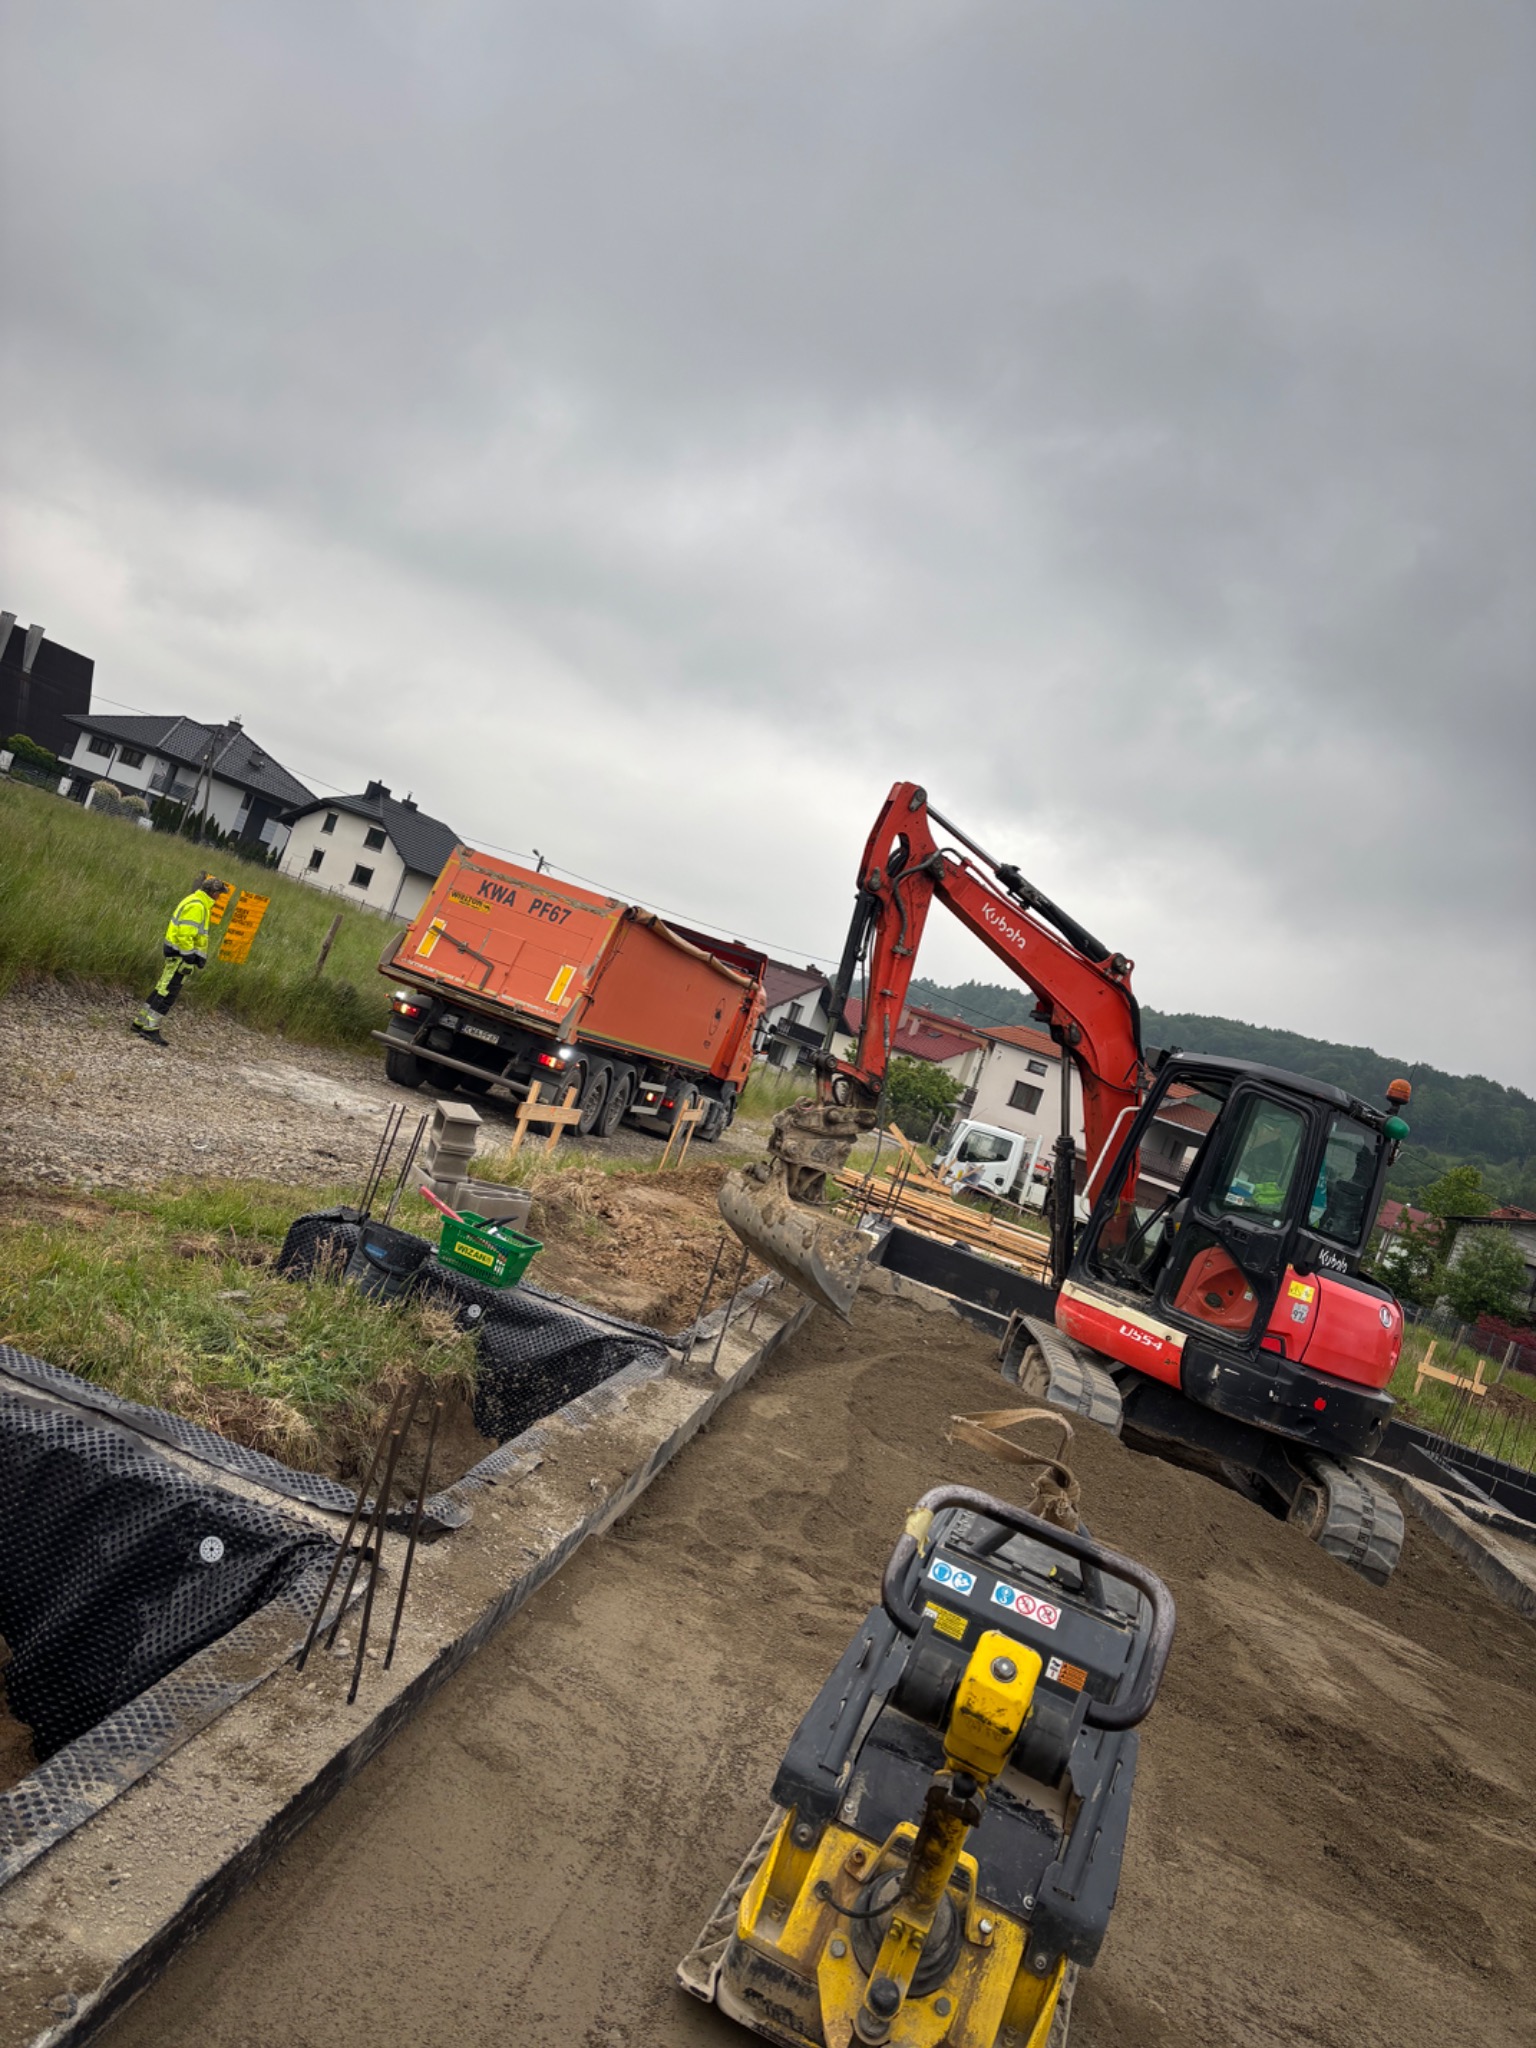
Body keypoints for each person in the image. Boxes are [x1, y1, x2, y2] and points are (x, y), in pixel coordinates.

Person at [131, 874, 231, 1045]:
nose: (220, 897)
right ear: (213, 893)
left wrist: (199, 956)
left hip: (177, 953)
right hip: (180, 956)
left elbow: (196, 935)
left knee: (162, 987)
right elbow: (186, 934)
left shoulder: (196, 902)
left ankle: (140, 1022)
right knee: (168, 991)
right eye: (220, 894)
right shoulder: (198, 906)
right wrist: (190, 955)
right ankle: (150, 1028)